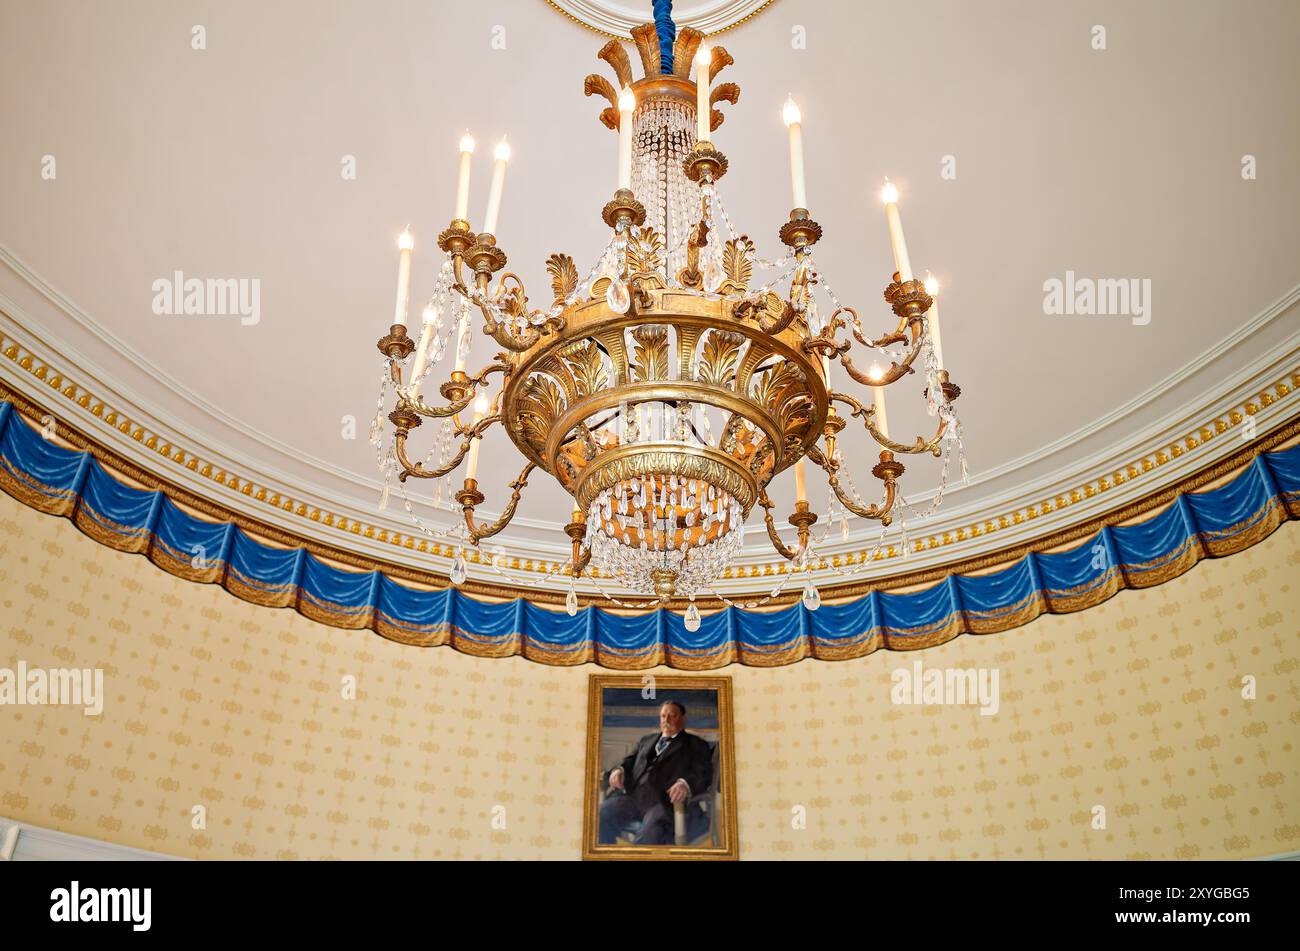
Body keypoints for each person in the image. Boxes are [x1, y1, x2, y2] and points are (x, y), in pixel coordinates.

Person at [598, 700, 713, 845]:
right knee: (599, 816)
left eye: (672, 716)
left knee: (651, 833)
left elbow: (703, 772)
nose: (666, 720)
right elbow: (630, 761)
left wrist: (684, 783)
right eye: (663, 716)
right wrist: (619, 770)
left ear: (683, 719)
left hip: (665, 803)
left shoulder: (695, 744)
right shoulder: (647, 740)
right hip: (634, 798)